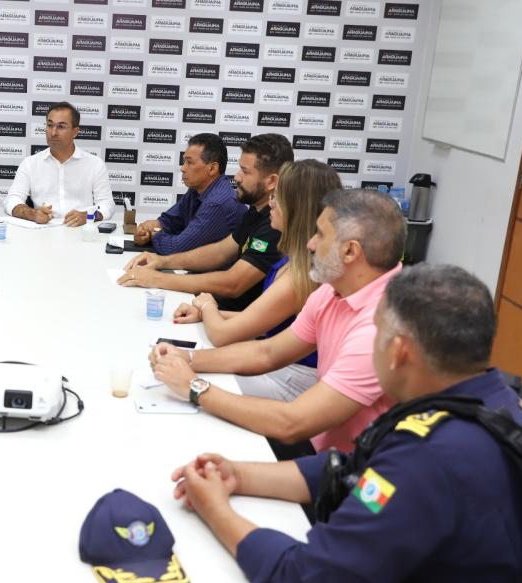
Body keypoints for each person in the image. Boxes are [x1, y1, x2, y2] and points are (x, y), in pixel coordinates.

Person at [170, 264, 522, 583]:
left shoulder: (427, 456)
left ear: (398, 352)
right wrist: (241, 474)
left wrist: (214, 509)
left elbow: (310, 578)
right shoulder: (492, 403)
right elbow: (356, 469)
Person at [150, 189, 405, 455]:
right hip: (324, 455)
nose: (311, 244)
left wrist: (194, 387)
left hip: (354, 474)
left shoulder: (380, 328)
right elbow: (267, 352)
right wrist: (187, 358)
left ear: (350, 251)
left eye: (320, 235)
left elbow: (292, 422)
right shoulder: (334, 289)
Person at [172, 160, 342, 407]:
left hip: (293, 380)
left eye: (277, 198)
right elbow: (258, 321)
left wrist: (208, 307)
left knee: (187, 386)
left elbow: (224, 336)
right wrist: (207, 312)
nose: (270, 204)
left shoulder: (301, 274)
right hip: (282, 369)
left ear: (296, 208)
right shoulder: (292, 259)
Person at [119, 134, 293, 311]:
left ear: (271, 181)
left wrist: (158, 279)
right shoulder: (256, 211)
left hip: (236, 320)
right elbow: (220, 252)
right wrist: (162, 262)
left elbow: (233, 283)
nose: (237, 177)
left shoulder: (275, 224)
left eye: (245, 171)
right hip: (217, 309)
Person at [126, 133, 241, 255]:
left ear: (212, 168)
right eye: (184, 162)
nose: (183, 168)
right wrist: (147, 231)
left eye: (189, 163)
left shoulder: (218, 203)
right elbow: (168, 222)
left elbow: (174, 248)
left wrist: (154, 233)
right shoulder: (196, 190)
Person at [3, 101, 115, 227]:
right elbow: (11, 201)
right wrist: (33, 214)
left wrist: (88, 216)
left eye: (61, 127)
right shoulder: (30, 163)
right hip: (42, 235)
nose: (53, 132)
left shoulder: (94, 164)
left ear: (75, 131)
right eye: (50, 125)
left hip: (81, 233)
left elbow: (107, 205)